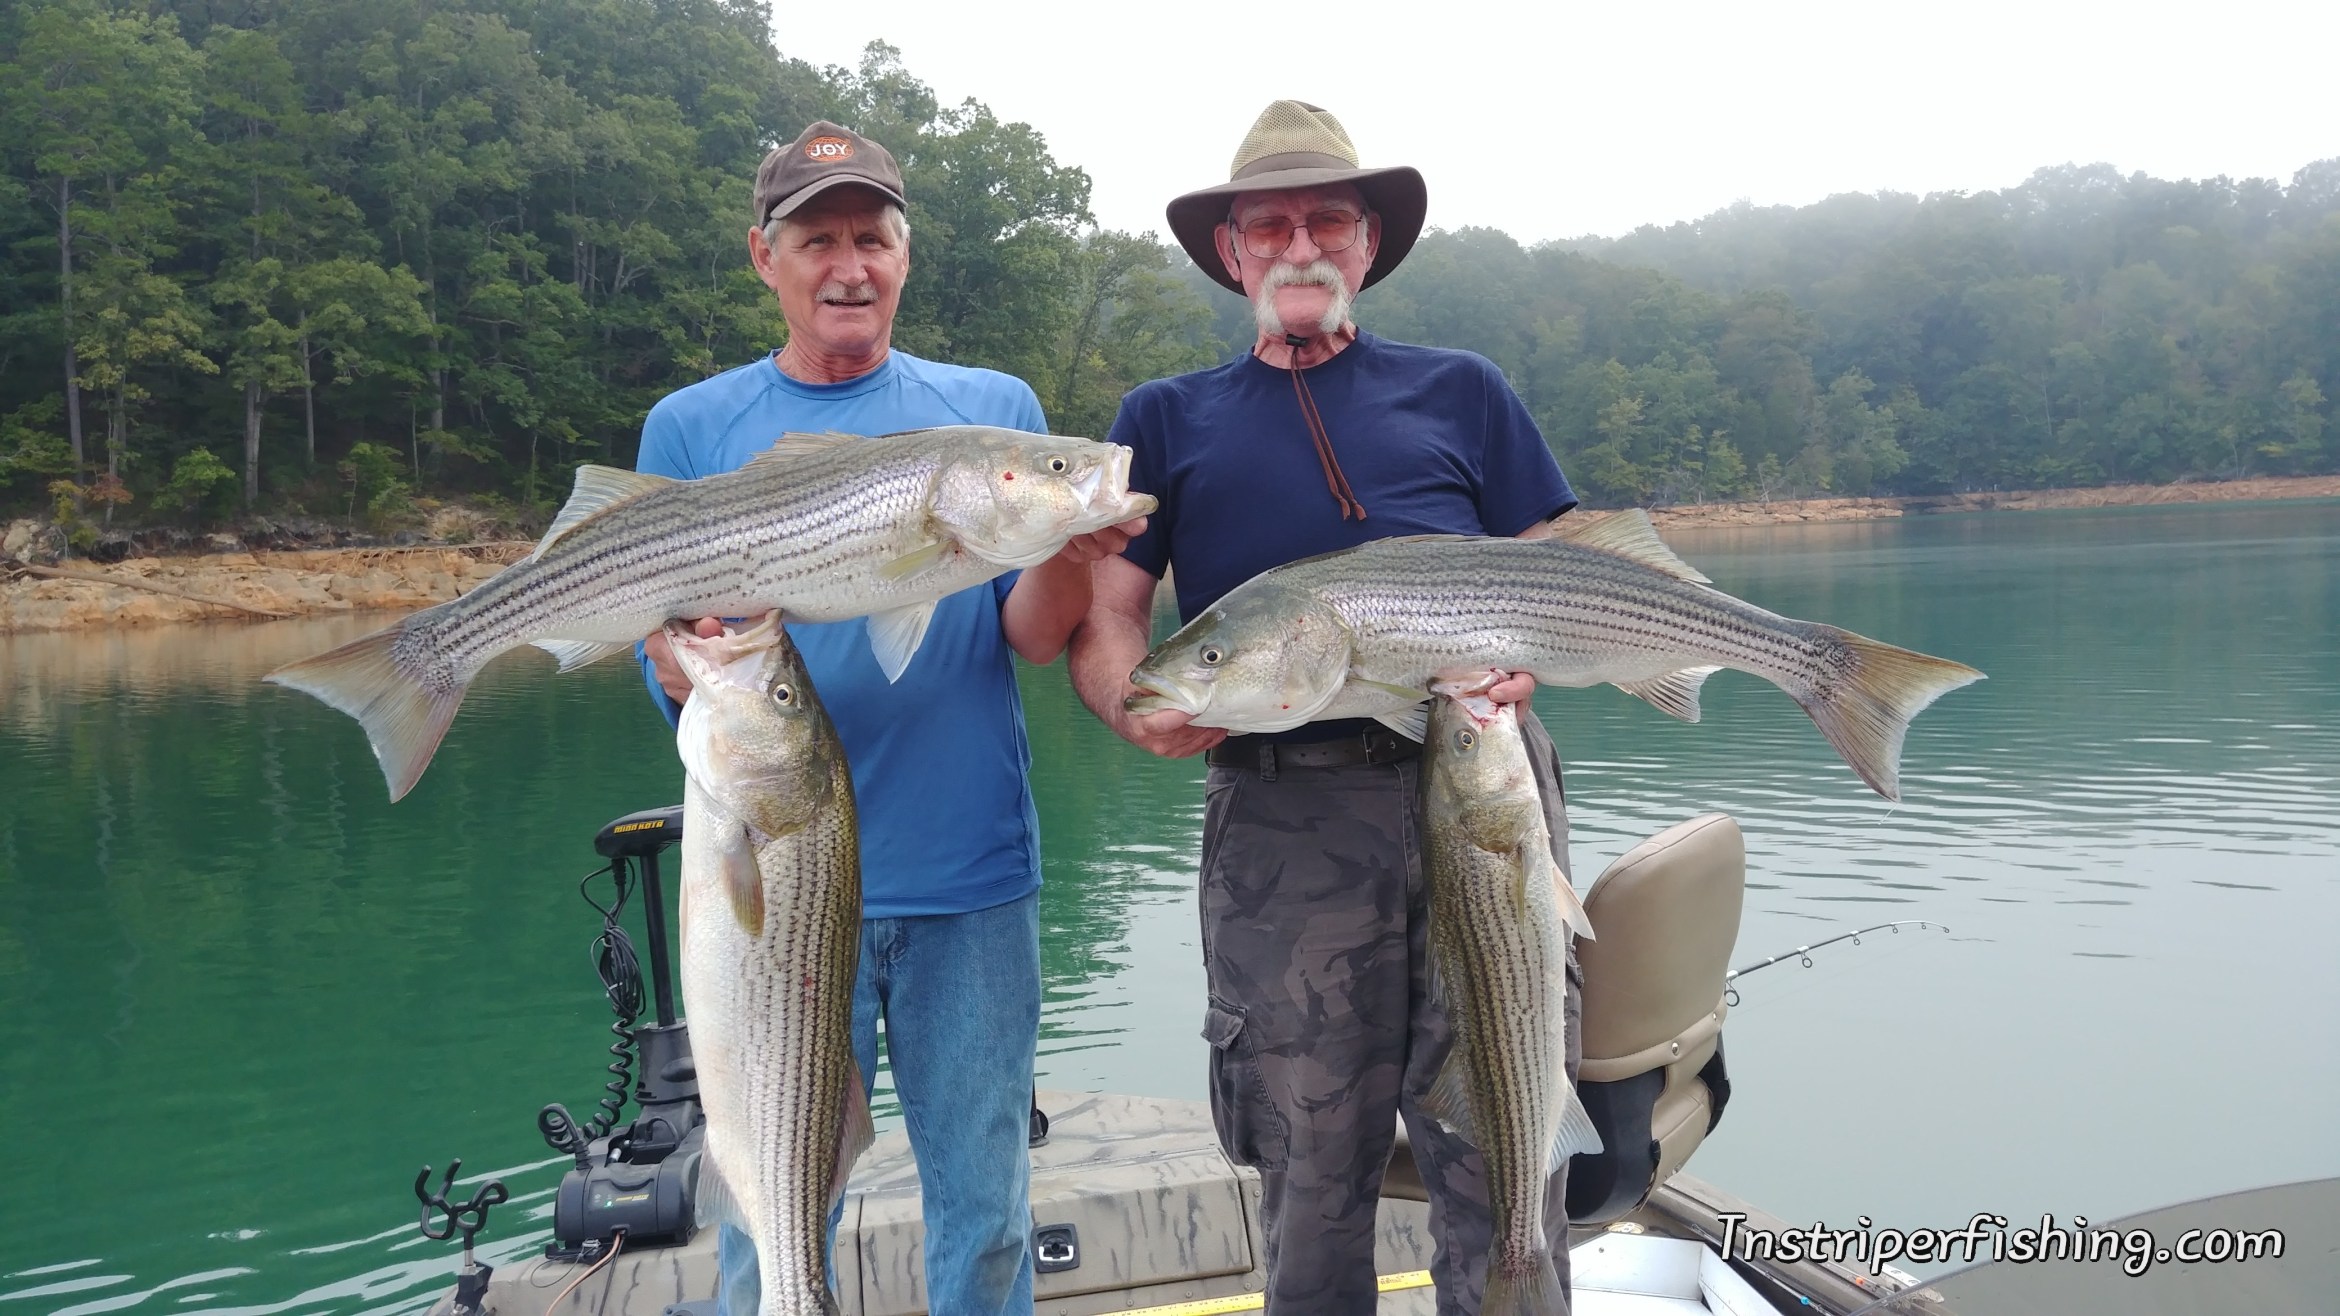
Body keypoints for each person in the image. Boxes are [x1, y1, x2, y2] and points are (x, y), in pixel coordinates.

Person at [1066, 101, 1586, 1315]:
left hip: (1479, 783)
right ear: (1234, 253)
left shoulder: (1463, 391)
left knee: (1503, 1127)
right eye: (1271, 223)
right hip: (1282, 821)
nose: (1299, 243)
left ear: (1364, 247)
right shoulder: (1163, 418)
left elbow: (1563, 555)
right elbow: (1110, 621)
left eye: (1327, 220)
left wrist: (1532, 655)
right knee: (1309, 1162)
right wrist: (1123, 706)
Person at [634, 119, 1143, 1316]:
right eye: (819, 237)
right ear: (766, 256)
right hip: (769, 888)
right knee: (769, 1221)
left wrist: (1075, 536)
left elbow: (1026, 633)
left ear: (906, 257)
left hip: (967, 881)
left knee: (987, 1224)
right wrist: (672, 657)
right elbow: (659, 665)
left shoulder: (991, 410)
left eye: (872, 235)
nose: (848, 263)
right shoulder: (690, 429)